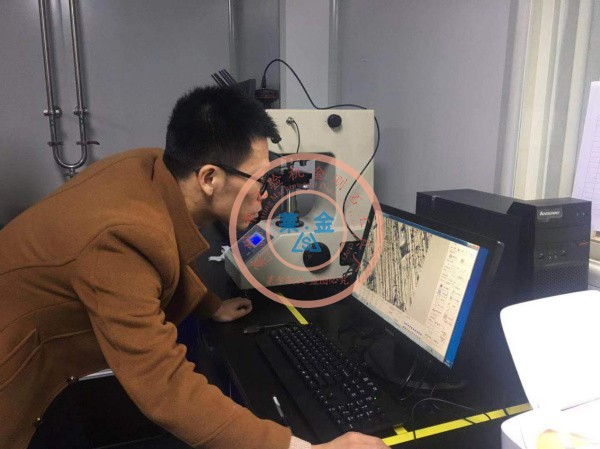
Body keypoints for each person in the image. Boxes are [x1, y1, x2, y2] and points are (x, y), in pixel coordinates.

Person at [0, 86, 388, 449]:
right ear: (209, 178)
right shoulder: (120, 239)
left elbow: (162, 255)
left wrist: (208, 305)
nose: (267, 192)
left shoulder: (150, 168)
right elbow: (163, 388)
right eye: (258, 179)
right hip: (14, 373)